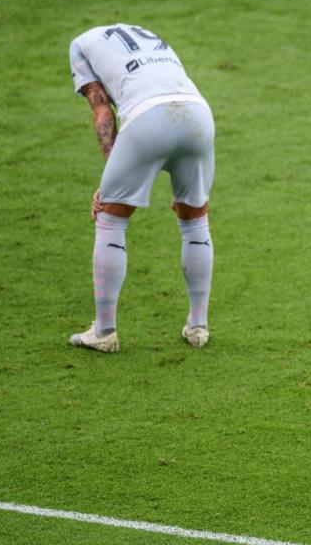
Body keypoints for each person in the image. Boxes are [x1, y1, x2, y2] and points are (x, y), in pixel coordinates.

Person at [67, 24, 215, 352]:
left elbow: (103, 111)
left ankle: (104, 331)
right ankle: (198, 326)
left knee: (111, 219)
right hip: (198, 114)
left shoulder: (80, 45)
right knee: (195, 220)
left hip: (149, 118)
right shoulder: (148, 35)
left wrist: (110, 182)